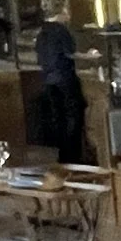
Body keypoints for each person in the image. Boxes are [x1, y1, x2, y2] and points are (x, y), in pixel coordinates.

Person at [31, 13, 87, 164]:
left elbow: (39, 58)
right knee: (73, 117)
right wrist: (88, 56)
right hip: (65, 79)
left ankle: (61, 157)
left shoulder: (41, 33)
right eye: (65, 12)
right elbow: (70, 53)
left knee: (57, 119)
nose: (68, 16)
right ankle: (73, 156)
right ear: (60, 14)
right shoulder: (61, 31)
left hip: (48, 81)